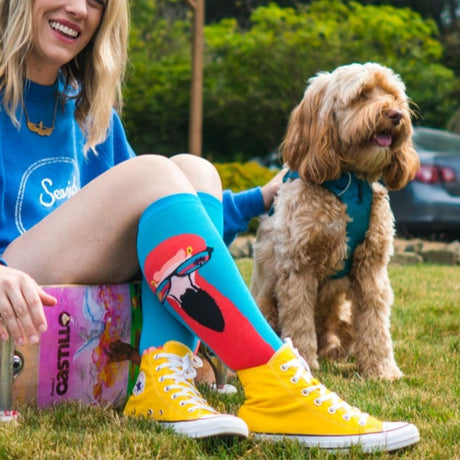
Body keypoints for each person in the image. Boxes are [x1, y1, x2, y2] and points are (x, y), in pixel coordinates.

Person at [0, 0, 420, 452]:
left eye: (98, 2)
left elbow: (165, 220)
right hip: (12, 292)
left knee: (195, 171)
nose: (79, 9)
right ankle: (273, 375)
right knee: (155, 172)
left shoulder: (86, 110)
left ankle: (162, 377)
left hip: (70, 305)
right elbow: (149, 185)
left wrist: (258, 199)